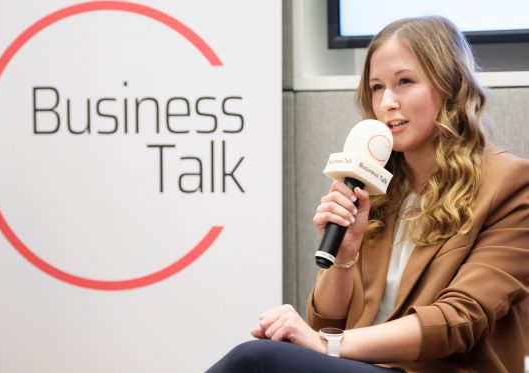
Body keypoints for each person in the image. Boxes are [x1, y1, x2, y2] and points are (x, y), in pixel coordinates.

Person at [206, 15, 529, 373]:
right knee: (263, 354)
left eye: (405, 82)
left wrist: (327, 345)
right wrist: (344, 257)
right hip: (363, 366)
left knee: (256, 360)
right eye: (377, 87)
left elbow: (457, 321)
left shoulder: (510, 184)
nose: (387, 102)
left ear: (450, 86)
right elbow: (322, 328)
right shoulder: (373, 183)